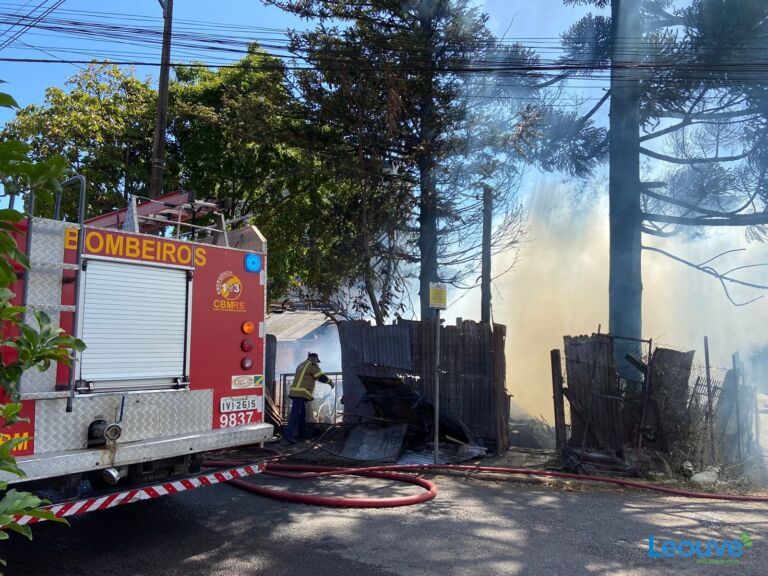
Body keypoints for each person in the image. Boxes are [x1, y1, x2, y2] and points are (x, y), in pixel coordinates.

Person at [283, 352, 334, 444]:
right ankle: (288, 435)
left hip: (296, 392)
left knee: (302, 414)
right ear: (314, 358)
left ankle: (302, 434)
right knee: (295, 414)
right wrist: (330, 382)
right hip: (300, 393)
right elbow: (321, 377)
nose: (317, 362)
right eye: (316, 360)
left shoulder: (301, 365)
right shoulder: (311, 365)